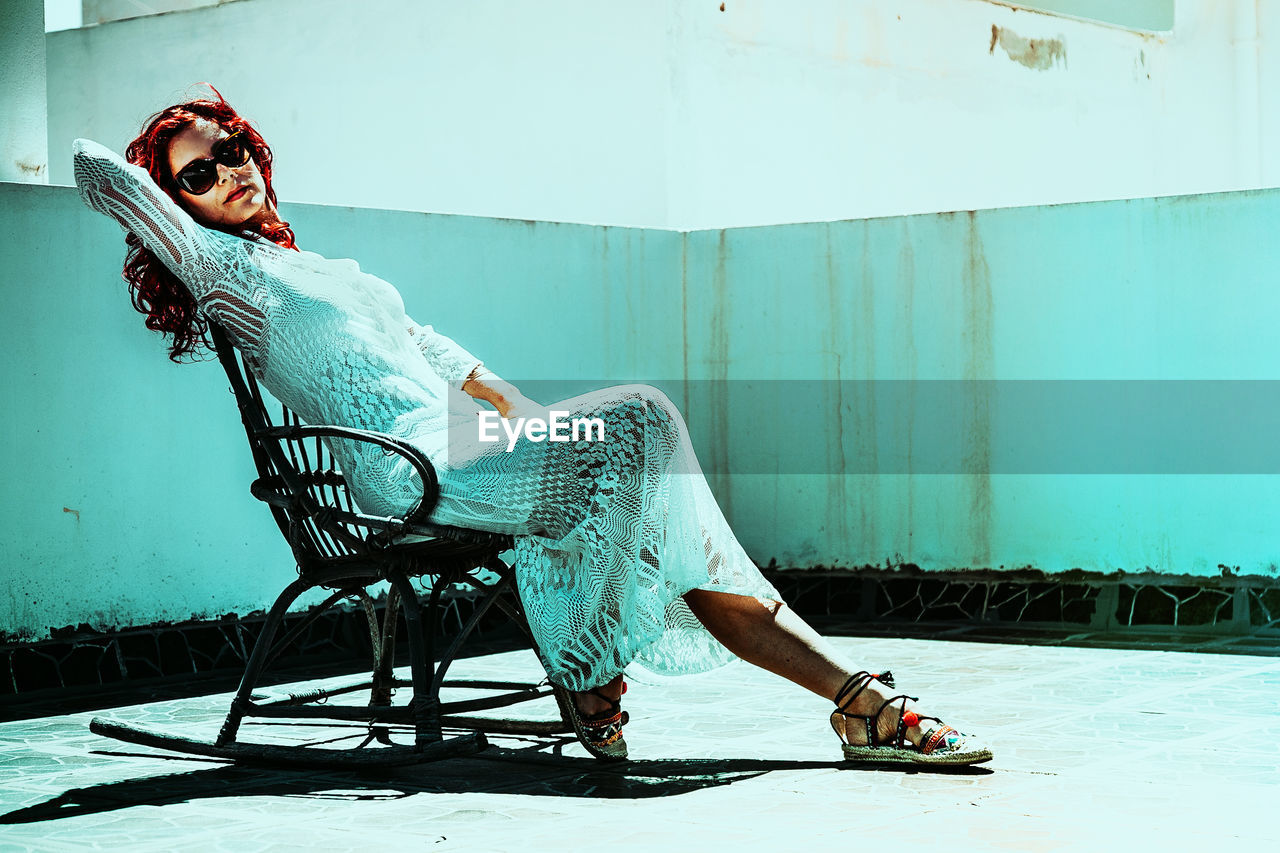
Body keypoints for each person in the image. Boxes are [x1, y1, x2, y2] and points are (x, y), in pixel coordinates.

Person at [72, 88, 992, 766]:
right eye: (199, 172)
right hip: (408, 470)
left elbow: (434, 350)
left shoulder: (319, 267)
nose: (228, 170)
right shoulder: (227, 275)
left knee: (666, 514)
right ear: (174, 209)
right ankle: (581, 653)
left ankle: (858, 701)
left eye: (232, 148)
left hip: (468, 451)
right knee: (639, 418)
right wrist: (160, 181)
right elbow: (92, 165)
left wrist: (536, 421)